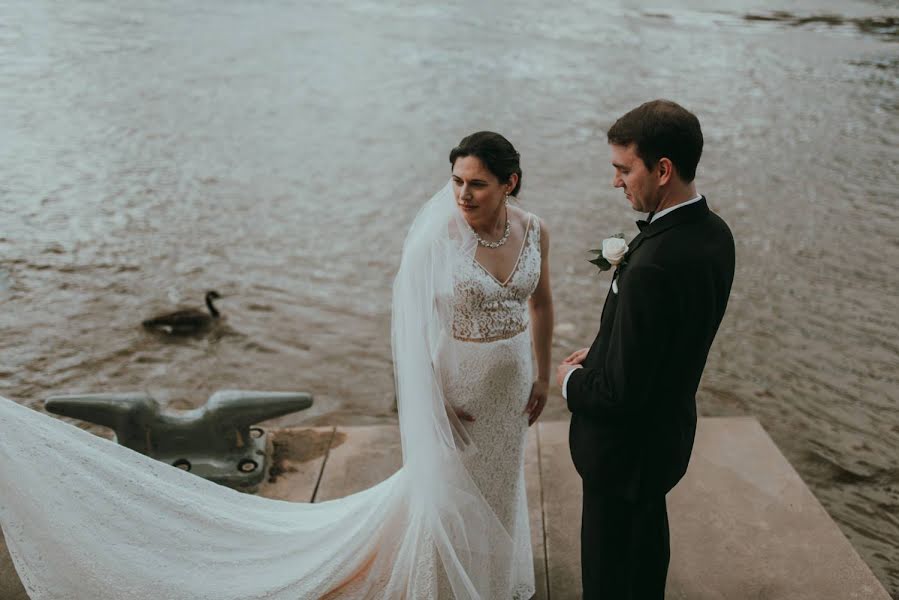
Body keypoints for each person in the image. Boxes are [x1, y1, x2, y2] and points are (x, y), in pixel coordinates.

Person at [0, 131, 551, 599]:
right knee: (445, 494)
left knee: (500, 488)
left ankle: (492, 578)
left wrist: (544, 374)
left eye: (477, 183)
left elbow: (542, 303)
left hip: (512, 392)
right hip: (457, 395)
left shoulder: (534, 231)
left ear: (511, 182)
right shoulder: (439, 239)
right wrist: (434, 405)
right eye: (457, 180)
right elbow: (413, 332)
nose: (462, 194)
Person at [557, 100, 735, 599]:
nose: (616, 182)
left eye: (623, 169)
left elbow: (618, 394)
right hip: (665, 439)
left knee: (610, 575)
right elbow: (668, 338)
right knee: (645, 560)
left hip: (624, 456)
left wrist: (570, 381)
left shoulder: (653, 264)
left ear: (662, 170)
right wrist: (603, 347)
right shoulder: (715, 235)